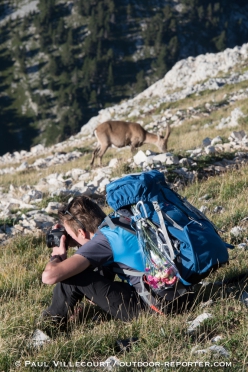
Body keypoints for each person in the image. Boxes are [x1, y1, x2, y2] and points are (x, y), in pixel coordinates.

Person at [41, 196, 192, 329]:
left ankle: (49, 326)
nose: (69, 238)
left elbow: (49, 277)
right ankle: (69, 314)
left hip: (158, 306)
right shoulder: (117, 223)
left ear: (81, 232)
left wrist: (57, 255)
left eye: (70, 234)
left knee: (72, 278)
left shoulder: (102, 242)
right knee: (89, 269)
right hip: (181, 296)